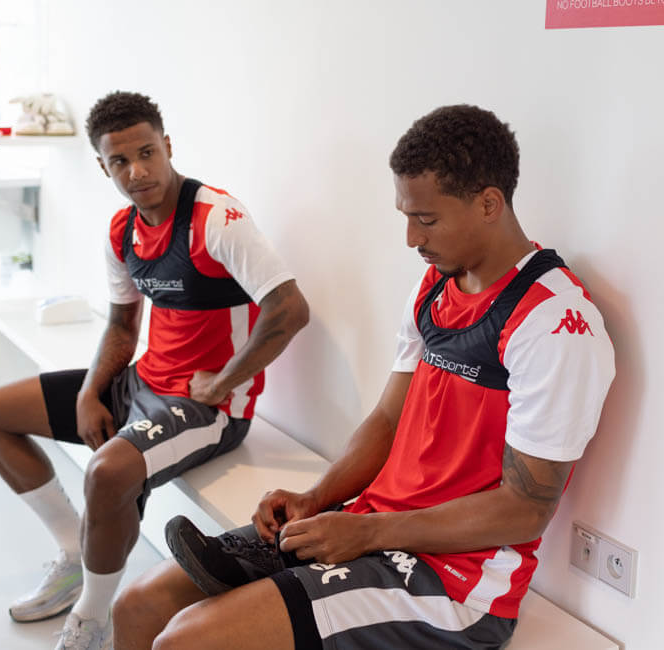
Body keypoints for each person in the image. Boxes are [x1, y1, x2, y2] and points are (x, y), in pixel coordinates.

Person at [113, 104, 616, 650]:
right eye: (406, 216)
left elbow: (524, 510)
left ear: (489, 204)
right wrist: (316, 498)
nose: (410, 238)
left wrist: (369, 533)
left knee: (186, 640)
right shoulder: (434, 286)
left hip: (457, 582)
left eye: (426, 220)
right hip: (372, 521)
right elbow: (387, 420)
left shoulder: (554, 322)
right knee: (139, 603)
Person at [0, 91, 309, 650]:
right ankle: (73, 556)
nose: (137, 171)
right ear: (104, 167)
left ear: (167, 146)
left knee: (106, 473)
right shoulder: (122, 230)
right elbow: (123, 327)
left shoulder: (216, 218)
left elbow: (290, 309)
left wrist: (222, 382)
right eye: (120, 161)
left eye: (147, 153)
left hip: (207, 407)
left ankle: (92, 617)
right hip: (141, 382)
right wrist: (90, 392)